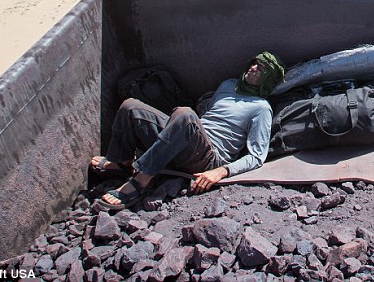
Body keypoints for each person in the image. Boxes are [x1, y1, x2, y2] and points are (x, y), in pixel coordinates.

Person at [90, 52, 285, 211]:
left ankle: (141, 181)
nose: (253, 68)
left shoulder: (261, 108)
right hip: (188, 140)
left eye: (262, 68)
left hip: (209, 156)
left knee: (185, 115)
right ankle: (122, 162)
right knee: (131, 107)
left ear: (269, 78)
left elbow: (257, 157)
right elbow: (207, 114)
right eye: (254, 64)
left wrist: (221, 171)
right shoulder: (228, 85)